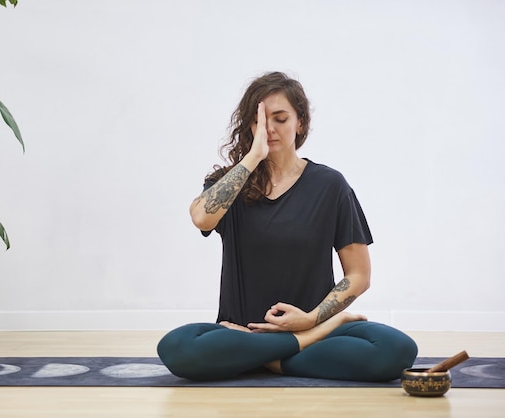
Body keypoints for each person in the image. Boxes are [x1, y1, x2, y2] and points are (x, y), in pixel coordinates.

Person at [157, 71, 418, 382]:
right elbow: (201, 217)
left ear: (300, 123)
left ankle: (264, 359)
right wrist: (254, 156)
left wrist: (312, 320)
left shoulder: (330, 185)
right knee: (175, 348)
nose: (269, 128)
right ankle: (281, 354)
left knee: (396, 349)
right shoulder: (232, 181)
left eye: (280, 119)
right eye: (259, 120)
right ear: (249, 125)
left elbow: (359, 275)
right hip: (242, 331)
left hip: (312, 328)